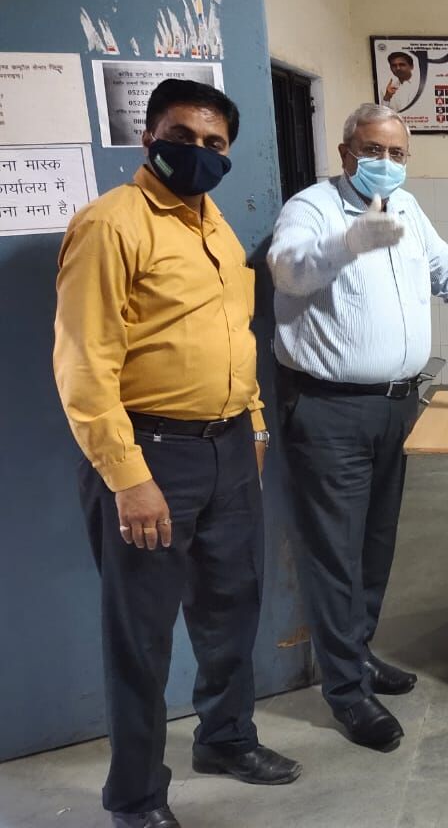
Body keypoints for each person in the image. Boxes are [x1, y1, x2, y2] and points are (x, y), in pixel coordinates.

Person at [53, 79, 300, 828]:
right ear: (149, 138)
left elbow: (234, 338)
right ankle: (135, 796)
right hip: (150, 454)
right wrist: (127, 479)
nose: (198, 152)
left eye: (214, 143)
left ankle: (225, 739)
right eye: (182, 136)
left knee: (231, 610)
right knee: (141, 635)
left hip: (230, 450)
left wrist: (255, 427)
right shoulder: (111, 225)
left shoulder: (216, 227)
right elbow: (83, 365)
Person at [268, 103, 448, 752]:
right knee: (335, 553)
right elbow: (288, 271)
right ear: (345, 151)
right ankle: (346, 692)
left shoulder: (407, 208)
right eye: (372, 150)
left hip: (395, 406)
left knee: (376, 544)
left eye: (397, 153)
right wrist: (350, 241)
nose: (385, 163)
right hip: (330, 409)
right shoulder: (312, 208)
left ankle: (358, 653)